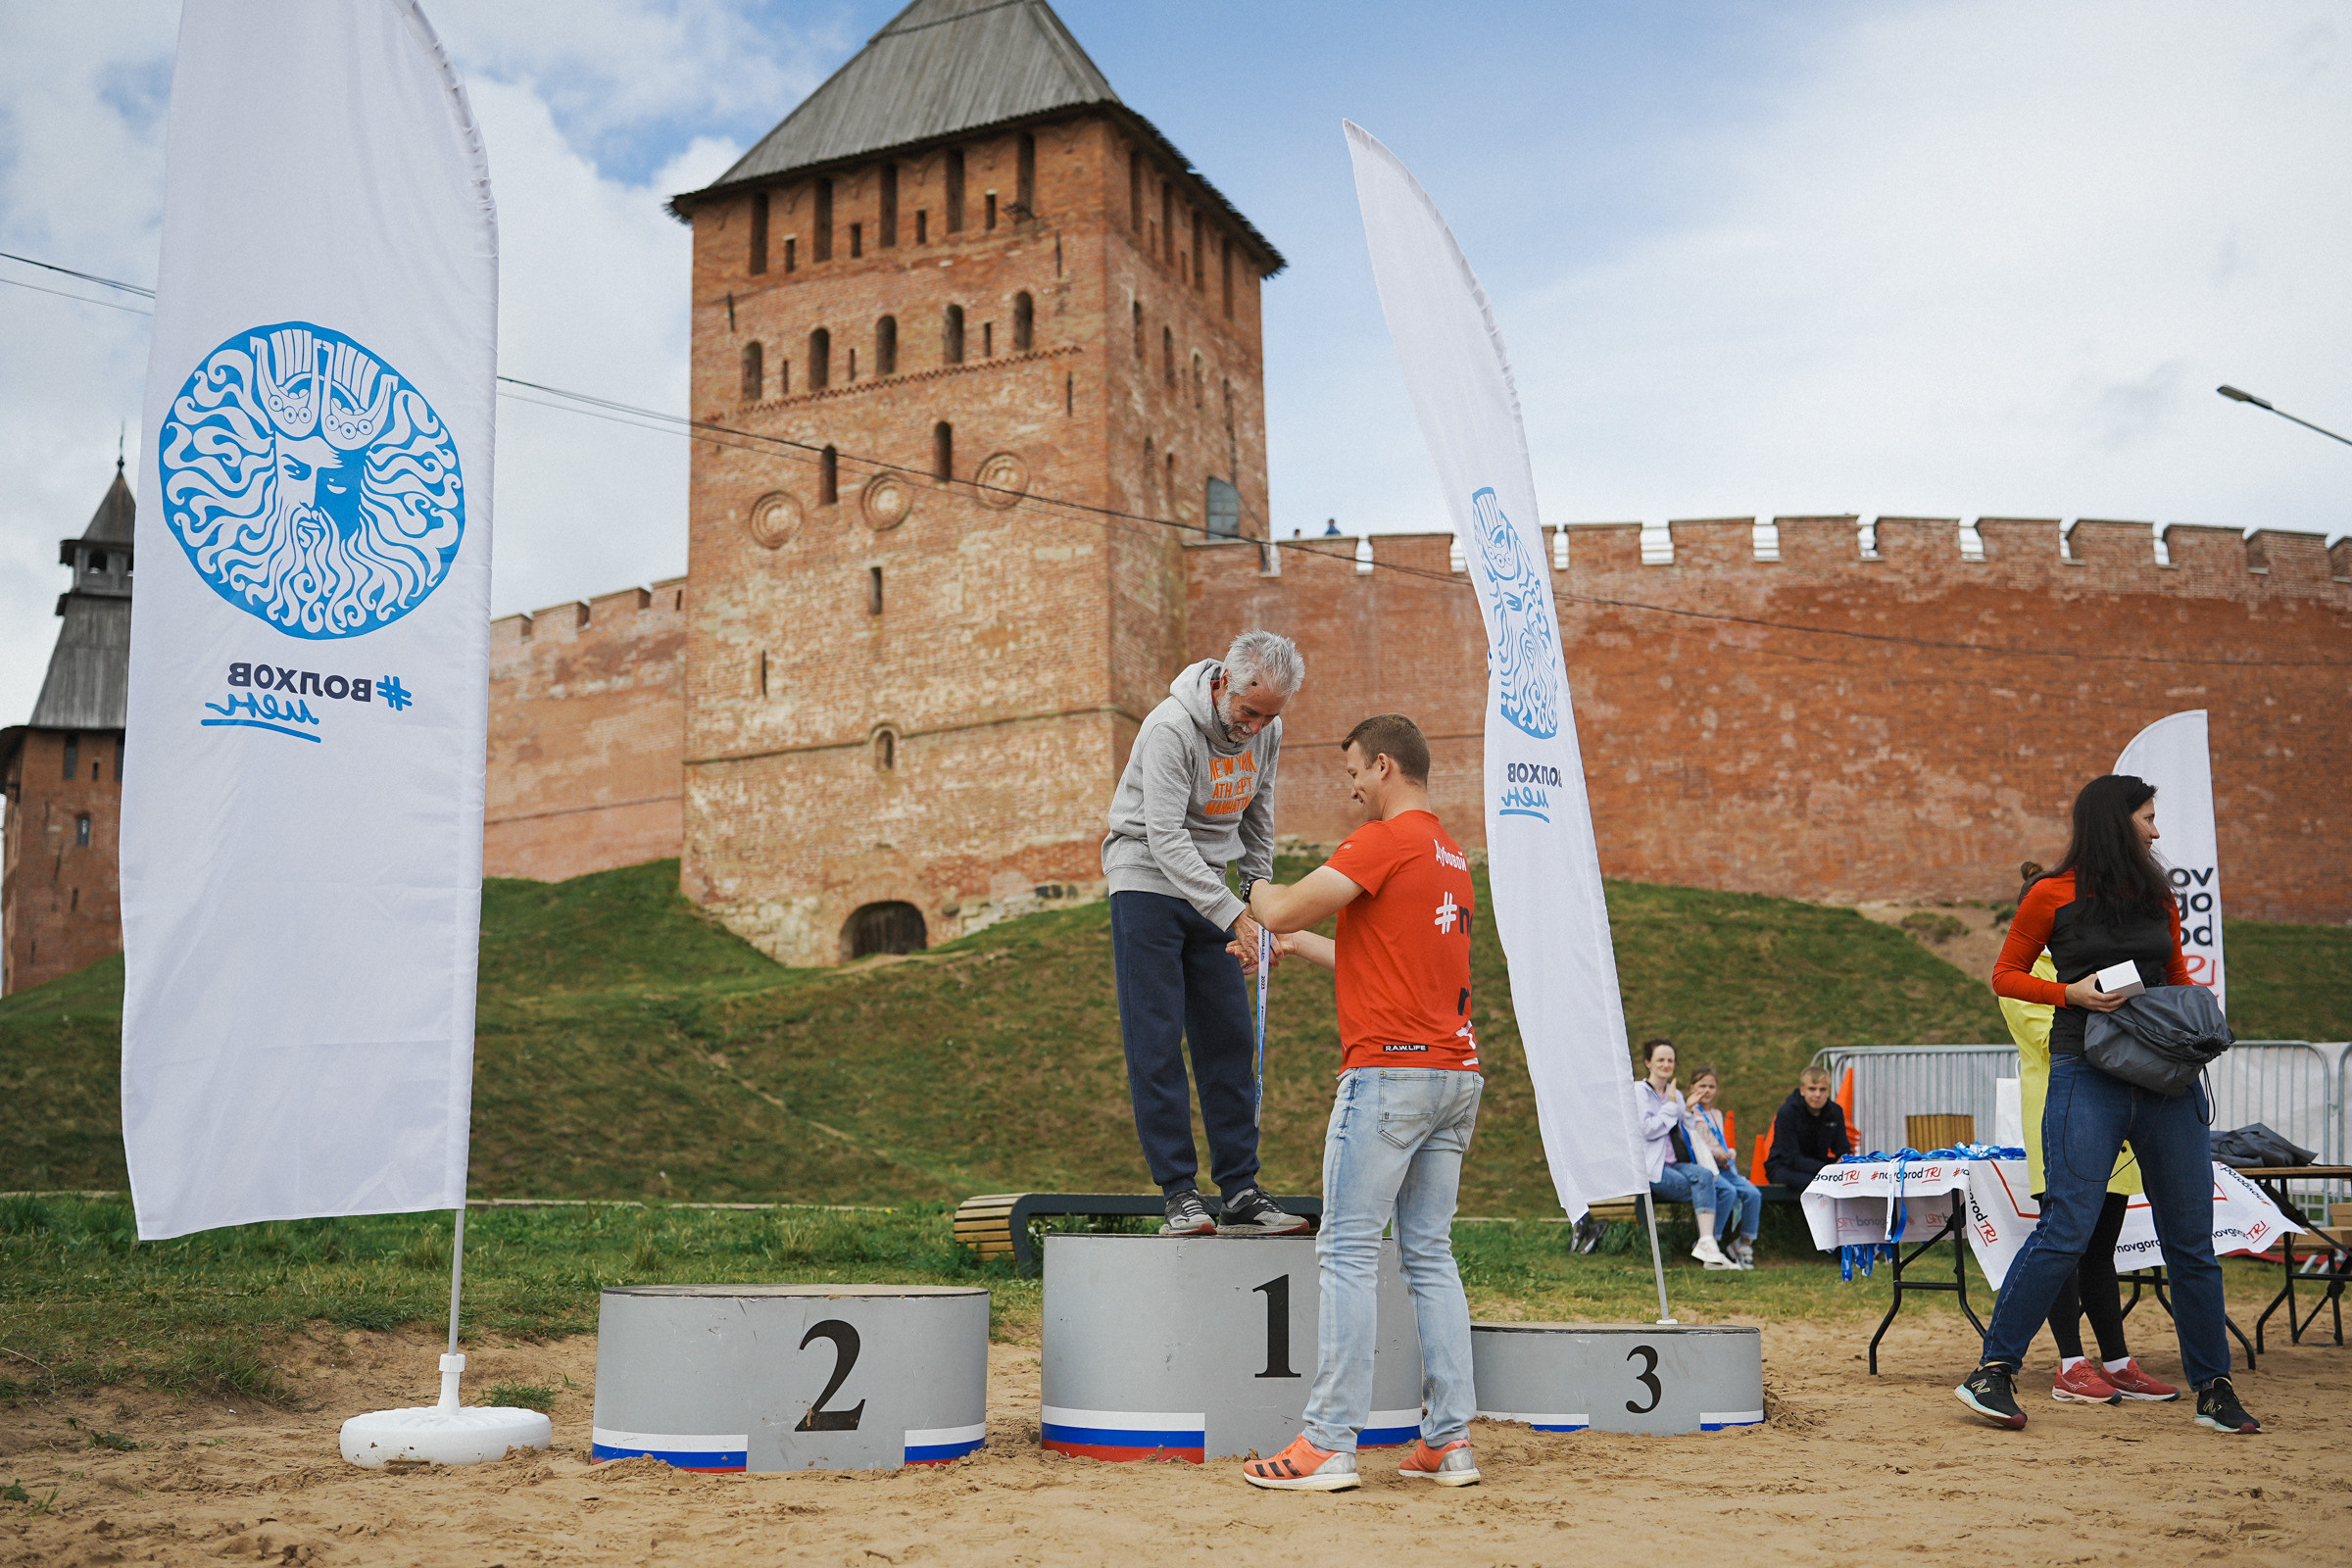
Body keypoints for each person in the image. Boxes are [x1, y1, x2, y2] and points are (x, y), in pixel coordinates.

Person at [1957, 775, 2260, 1436]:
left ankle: (2213, 1387)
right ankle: (1993, 1373)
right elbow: (2005, 974)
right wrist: (2074, 994)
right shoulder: (2050, 893)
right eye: (2148, 818)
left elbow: (2176, 974)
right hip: (2082, 1071)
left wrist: (2196, 1025)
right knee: (2066, 1228)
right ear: (2115, 822)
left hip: (2163, 1080)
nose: (2156, 830)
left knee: (2191, 1239)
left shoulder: (2157, 893)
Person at [1230, 714, 1484, 1492]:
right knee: (1430, 1257)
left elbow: (1278, 906)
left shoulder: (1384, 841)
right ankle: (1448, 1443)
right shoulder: (1452, 858)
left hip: (1388, 1078)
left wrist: (1241, 877)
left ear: (1383, 765)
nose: (1349, 788)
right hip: (1454, 1076)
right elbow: (1380, 958)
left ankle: (1328, 1443)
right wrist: (1298, 945)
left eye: (1352, 773)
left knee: (1345, 1253)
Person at [1102, 629, 1310, 1238]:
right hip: (1144, 880)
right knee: (1158, 1040)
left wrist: (1258, 903)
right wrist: (1233, 915)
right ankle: (1179, 1194)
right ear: (1223, 683)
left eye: (1270, 715)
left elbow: (1259, 819)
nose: (1256, 726)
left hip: (1211, 892)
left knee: (1228, 1038)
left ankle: (1241, 1190)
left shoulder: (1267, 729)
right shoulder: (1171, 727)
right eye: (1249, 711)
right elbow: (1165, 839)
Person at [1998, 860, 2179, 1408]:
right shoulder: (2031, 976)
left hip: (2115, 1119)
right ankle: (2070, 1365)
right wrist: (2095, 1001)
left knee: (2101, 1250)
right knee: (2064, 1247)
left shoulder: (2096, 961)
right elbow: (2061, 1040)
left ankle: (2118, 1362)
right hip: (2062, 1116)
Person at [1635, 1040, 1740, 1269]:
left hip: (1675, 1164)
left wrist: (1688, 1110)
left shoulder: (1676, 1094)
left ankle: (1708, 1243)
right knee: (1706, 1185)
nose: (1666, 1064)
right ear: (1648, 1062)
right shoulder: (1639, 1092)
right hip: (1652, 1168)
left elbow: (1686, 1130)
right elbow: (1647, 1129)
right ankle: (1709, 1246)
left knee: (1712, 1181)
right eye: (1660, 1059)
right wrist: (1673, 1107)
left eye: (1670, 1060)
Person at [1687, 1064, 1763, 1269]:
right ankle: (1711, 1242)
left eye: (1711, 1086)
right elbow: (1695, 1145)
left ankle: (1743, 1244)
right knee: (1727, 1193)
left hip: (1725, 1167)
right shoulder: (1691, 1113)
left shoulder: (1717, 1113)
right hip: (1708, 1167)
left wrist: (1729, 1152)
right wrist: (1716, 1154)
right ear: (1692, 1087)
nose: (1707, 1090)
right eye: (1702, 1085)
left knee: (1753, 1194)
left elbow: (1718, 1141)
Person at [1764, 1066, 1850, 1191]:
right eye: (1812, 1089)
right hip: (1783, 1166)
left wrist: (1842, 1162)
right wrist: (1827, 1168)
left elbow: (1843, 1148)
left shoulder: (1835, 1112)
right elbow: (1791, 1157)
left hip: (1819, 1164)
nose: (1817, 1094)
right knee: (1816, 1183)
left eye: (1822, 1090)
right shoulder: (1787, 1112)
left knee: (1848, 1181)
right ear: (1802, 1090)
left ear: (1828, 1091)